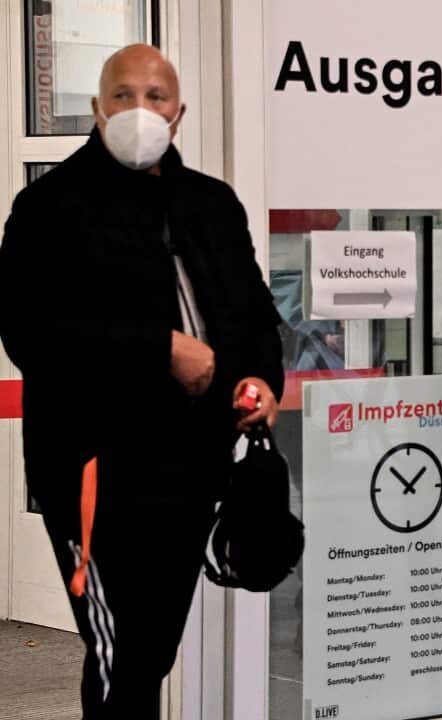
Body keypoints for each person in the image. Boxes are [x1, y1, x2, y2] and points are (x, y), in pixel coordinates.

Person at [0, 45, 283, 718]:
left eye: (155, 96)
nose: (140, 109)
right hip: (94, 471)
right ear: (97, 109)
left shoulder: (212, 205)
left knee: (152, 650)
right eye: (122, 95)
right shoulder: (49, 206)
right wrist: (160, 348)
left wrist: (259, 380)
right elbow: (31, 332)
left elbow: (254, 315)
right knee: (119, 651)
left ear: (178, 112)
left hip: (192, 468)